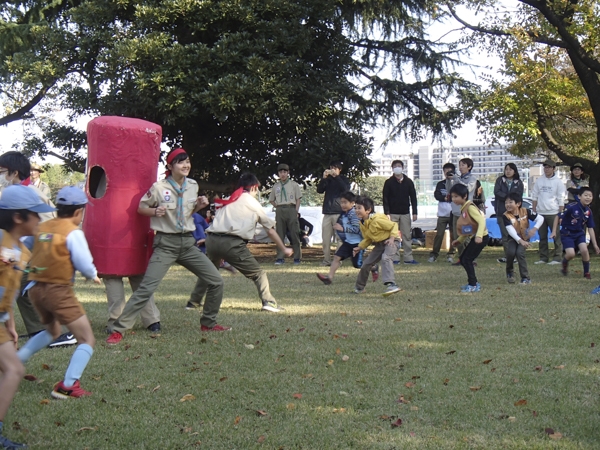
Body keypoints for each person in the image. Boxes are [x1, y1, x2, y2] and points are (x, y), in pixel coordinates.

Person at [106, 148, 228, 345]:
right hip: (166, 244)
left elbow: (187, 213)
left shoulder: (193, 185)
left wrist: (199, 206)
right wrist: (154, 211)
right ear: (170, 167)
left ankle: (208, 323)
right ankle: (118, 329)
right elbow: (140, 208)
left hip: (187, 243)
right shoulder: (159, 187)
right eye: (180, 162)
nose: (186, 165)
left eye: (187, 161)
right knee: (146, 288)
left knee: (216, 281)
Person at [17, 186, 101, 399]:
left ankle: (15, 362)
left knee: (52, 330)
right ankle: (68, 385)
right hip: (58, 291)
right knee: (87, 339)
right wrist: (92, 274)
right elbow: (83, 261)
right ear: (78, 212)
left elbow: (24, 247)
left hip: (35, 289)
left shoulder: (42, 227)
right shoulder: (73, 232)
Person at [189, 173, 293, 313]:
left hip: (212, 240)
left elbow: (217, 222)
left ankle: (193, 302)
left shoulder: (229, 199)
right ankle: (269, 302)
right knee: (259, 274)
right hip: (232, 242)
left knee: (209, 272)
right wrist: (284, 248)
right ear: (254, 188)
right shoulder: (253, 203)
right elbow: (270, 231)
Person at [0, 151, 74, 347]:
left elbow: (50, 224)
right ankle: (40, 330)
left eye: (2, 172)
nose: (1, 177)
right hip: (25, 250)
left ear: (14, 173)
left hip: (40, 249)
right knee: (20, 286)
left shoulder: (32, 193)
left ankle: (52, 332)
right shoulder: (17, 193)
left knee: (28, 285)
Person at [0, 185, 53, 448]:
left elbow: (7, 290)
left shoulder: (22, 250)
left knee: (12, 369)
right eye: (36, 215)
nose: (40, 220)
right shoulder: (0, 242)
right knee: (13, 369)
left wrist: (9, 323)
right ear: (18, 218)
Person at [316, 191, 379, 284]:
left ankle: (373, 267)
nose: (343, 205)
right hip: (348, 242)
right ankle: (329, 278)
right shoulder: (344, 213)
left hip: (357, 244)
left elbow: (358, 229)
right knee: (337, 257)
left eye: (345, 202)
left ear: (352, 203)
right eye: (341, 202)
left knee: (358, 264)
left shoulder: (353, 214)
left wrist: (343, 228)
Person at [352, 196, 401, 296]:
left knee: (386, 258)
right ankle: (359, 288)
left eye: (359, 208)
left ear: (368, 210)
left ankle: (391, 285)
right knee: (366, 264)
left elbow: (393, 225)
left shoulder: (377, 220)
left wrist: (391, 238)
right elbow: (368, 238)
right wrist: (360, 247)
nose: (357, 210)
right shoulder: (363, 223)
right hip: (380, 244)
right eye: (355, 208)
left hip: (392, 241)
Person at [551, 187, 600, 278]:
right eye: (585, 195)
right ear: (579, 196)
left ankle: (586, 273)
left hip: (579, 234)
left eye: (590, 196)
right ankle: (565, 263)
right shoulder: (571, 207)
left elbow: (590, 228)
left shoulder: (588, 211)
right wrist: (554, 231)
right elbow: (558, 216)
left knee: (584, 250)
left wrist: (595, 245)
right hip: (567, 234)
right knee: (571, 254)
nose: (588, 198)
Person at [449, 183, 489, 292]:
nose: (454, 199)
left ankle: (473, 285)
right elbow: (468, 229)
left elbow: (481, 221)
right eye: (452, 196)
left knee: (466, 259)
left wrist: (479, 236)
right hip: (476, 237)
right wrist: (459, 240)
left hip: (481, 238)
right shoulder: (464, 208)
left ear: (465, 196)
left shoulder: (470, 207)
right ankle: (473, 283)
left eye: (456, 196)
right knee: (463, 259)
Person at [502, 193, 544, 284]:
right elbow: (510, 230)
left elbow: (540, 218)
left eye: (510, 202)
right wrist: (520, 241)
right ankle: (510, 272)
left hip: (525, 237)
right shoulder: (505, 215)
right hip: (513, 238)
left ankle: (525, 278)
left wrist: (534, 229)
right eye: (506, 203)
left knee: (519, 253)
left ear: (518, 203)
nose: (507, 205)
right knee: (510, 253)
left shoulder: (526, 211)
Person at [382, 160, 418, 264]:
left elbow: (413, 198)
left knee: (407, 235)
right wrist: (387, 213)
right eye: (395, 166)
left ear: (402, 167)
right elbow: (385, 198)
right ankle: (395, 258)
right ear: (392, 168)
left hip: (405, 212)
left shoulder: (408, 181)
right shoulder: (388, 182)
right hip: (392, 213)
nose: (397, 167)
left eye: (399, 166)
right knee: (394, 236)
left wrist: (415, 212)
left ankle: (408, 258)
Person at [531, 159, 565, 265]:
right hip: (541, 212)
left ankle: (557, 257)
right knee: (542, 237)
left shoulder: (558, 182)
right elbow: (535, 196)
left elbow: (561, 199)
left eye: (549, 167)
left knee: (556, 236)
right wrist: (534, 209)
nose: (546, 169)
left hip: (553, 212)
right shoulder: (540, 181)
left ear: (554, 169)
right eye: (545, 167)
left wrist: (560, 214)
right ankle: (543, 257)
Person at [317, 160, 350, 266]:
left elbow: (345, 189)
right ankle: (326, 260)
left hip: (339, 212)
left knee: (340, 238)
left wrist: (337, 177)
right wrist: (324, 178)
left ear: (340, 170)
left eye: (335, 168)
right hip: (327, 212)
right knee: (325, 239)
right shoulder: (328, 180)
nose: (333, 170)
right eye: (331, 168)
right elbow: (319, 190)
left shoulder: (343, 179)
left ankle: (337, 260)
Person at [269, 163, 302, 265]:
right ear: (278, 174)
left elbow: (298, 199)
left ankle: (297, 257)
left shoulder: (294, 184)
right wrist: (278, 207)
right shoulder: (276, 186)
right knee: (280, 234)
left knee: (294, 233)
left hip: (291, 208)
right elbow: (271, 200)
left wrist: (296, 211)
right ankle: (280, 257)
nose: (282, 174)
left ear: (288, 173)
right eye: (280, 172)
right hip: (280, 210)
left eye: (284, 172)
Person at [448, 158, 479, 265]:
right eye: (459, 165)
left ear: (469, 167)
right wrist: (449, 179)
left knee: (467, 235)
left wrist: (456, 179)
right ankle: (462, 258)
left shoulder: (472, 178)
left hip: (466, 211)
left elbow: (467, 189)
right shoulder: (456, 178)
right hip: (456, 211)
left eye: (463, 165)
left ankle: (471, 258)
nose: (460, 167)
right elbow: (449, 191)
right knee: (457, 237)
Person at [493, 163, 525, 263]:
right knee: (505, 235)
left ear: (514, 171)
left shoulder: (518, 182)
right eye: (506, 169)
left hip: (515, 213)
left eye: (510, 169)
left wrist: (511, 199)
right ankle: (509, 256)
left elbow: (518, 196)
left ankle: (517, 255)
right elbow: (497, 192)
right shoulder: (500, 180)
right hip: (502, 212)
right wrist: (509, 198)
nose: (508, 171)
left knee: (515, 234)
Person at [428, 163, 456, 263]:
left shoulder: (456, 182)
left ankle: (451, 254)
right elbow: (437, 195)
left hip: (454, 213)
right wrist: (444, 198)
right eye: (445, 171)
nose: (447, 173)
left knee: (454, 235)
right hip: (442, 214)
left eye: (449, 171)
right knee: (439, 234)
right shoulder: (440, 184)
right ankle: (434, 254)